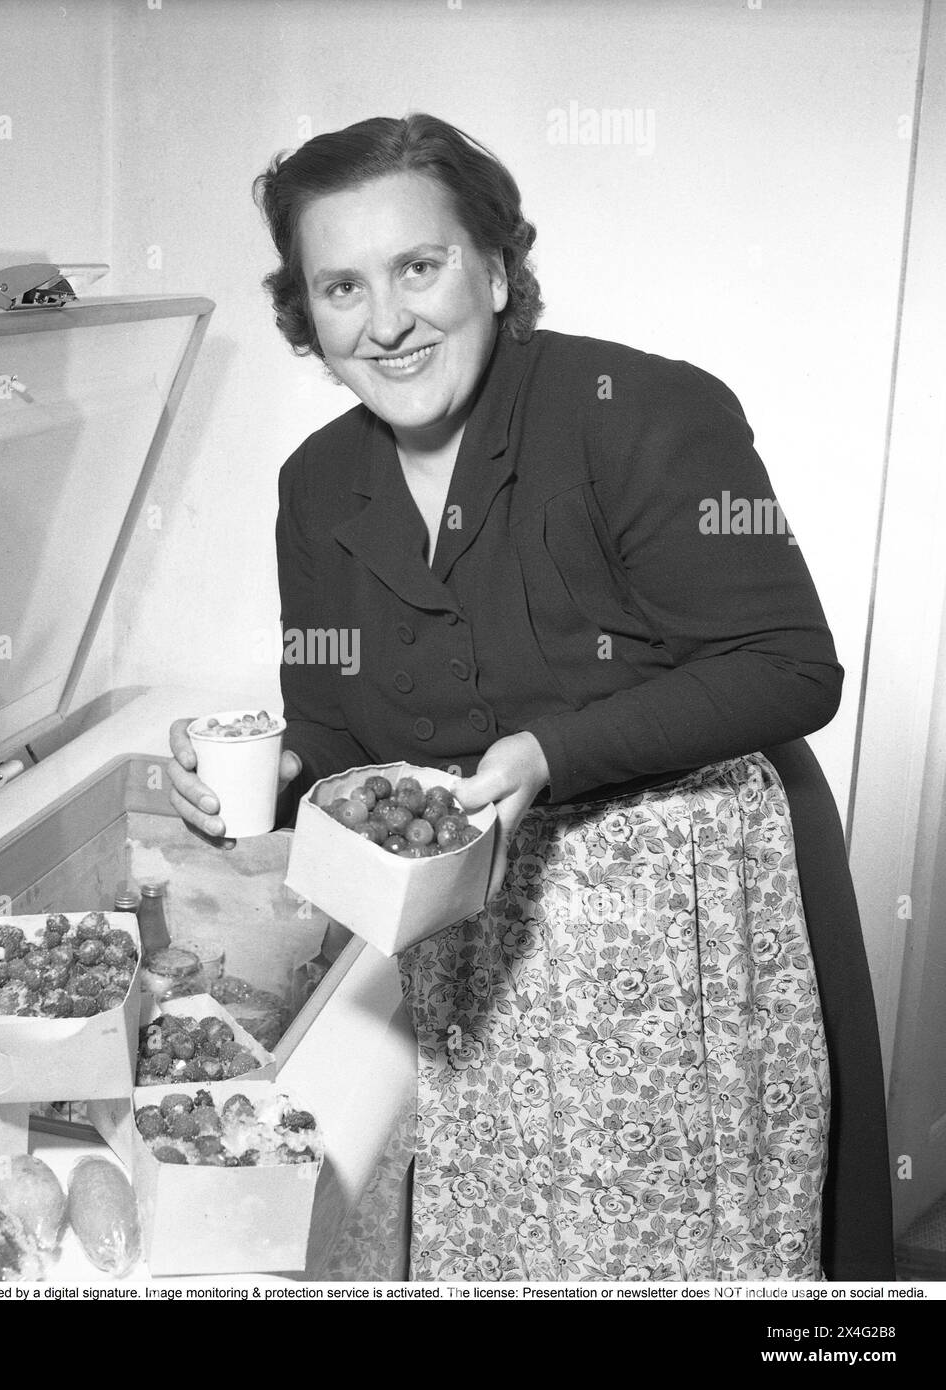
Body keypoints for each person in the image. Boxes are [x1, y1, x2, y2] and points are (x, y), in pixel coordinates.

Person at [168, 113, 894, 1281]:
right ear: (308, 317)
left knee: (683, 1253)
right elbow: (335, 739)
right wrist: (253, 781)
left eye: (420, 265)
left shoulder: (646, 410)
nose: (386, 320)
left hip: (675, 940)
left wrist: (549, 751)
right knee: (515, 1249)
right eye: (341, 286)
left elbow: (789, 665)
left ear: (496, 267)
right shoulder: (314, 488)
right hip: (477, 945)